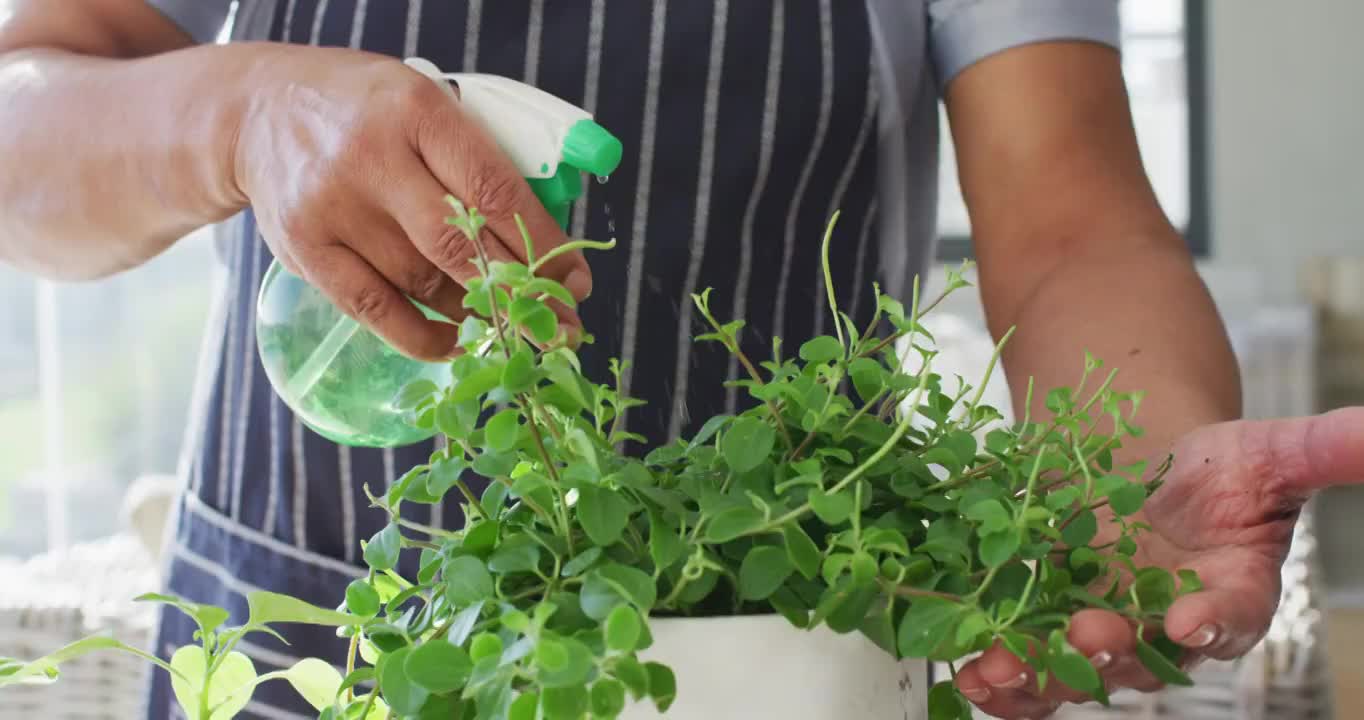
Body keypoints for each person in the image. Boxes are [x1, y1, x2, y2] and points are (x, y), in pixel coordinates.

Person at [0, 1, 1359, 718]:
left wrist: (1117, 474)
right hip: (311, 656)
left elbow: (1070, 221)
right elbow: (25, 128)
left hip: (777, 661)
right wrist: (235, 111)